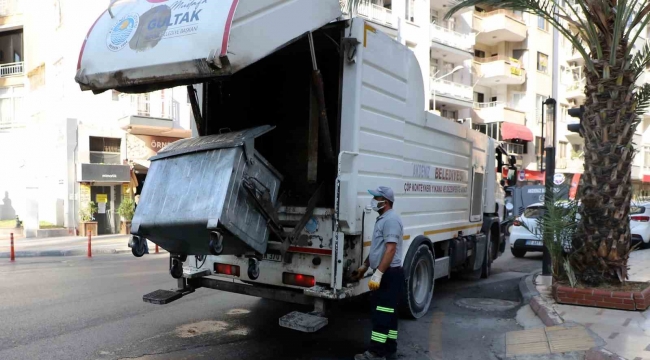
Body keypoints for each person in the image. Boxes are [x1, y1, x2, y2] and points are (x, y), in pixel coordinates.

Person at [352, 186, 404, 360]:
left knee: (381, 314)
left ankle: (376, 353)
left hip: (389, 275)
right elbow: (378, 249)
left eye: (376, 197)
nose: (373, 200)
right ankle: (389, 350)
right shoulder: (382, 219)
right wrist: (365, 266)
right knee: (387, 314)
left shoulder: (391, 220)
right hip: (386, 273)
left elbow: (390, 250)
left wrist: (379, 274)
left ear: (386, 202)